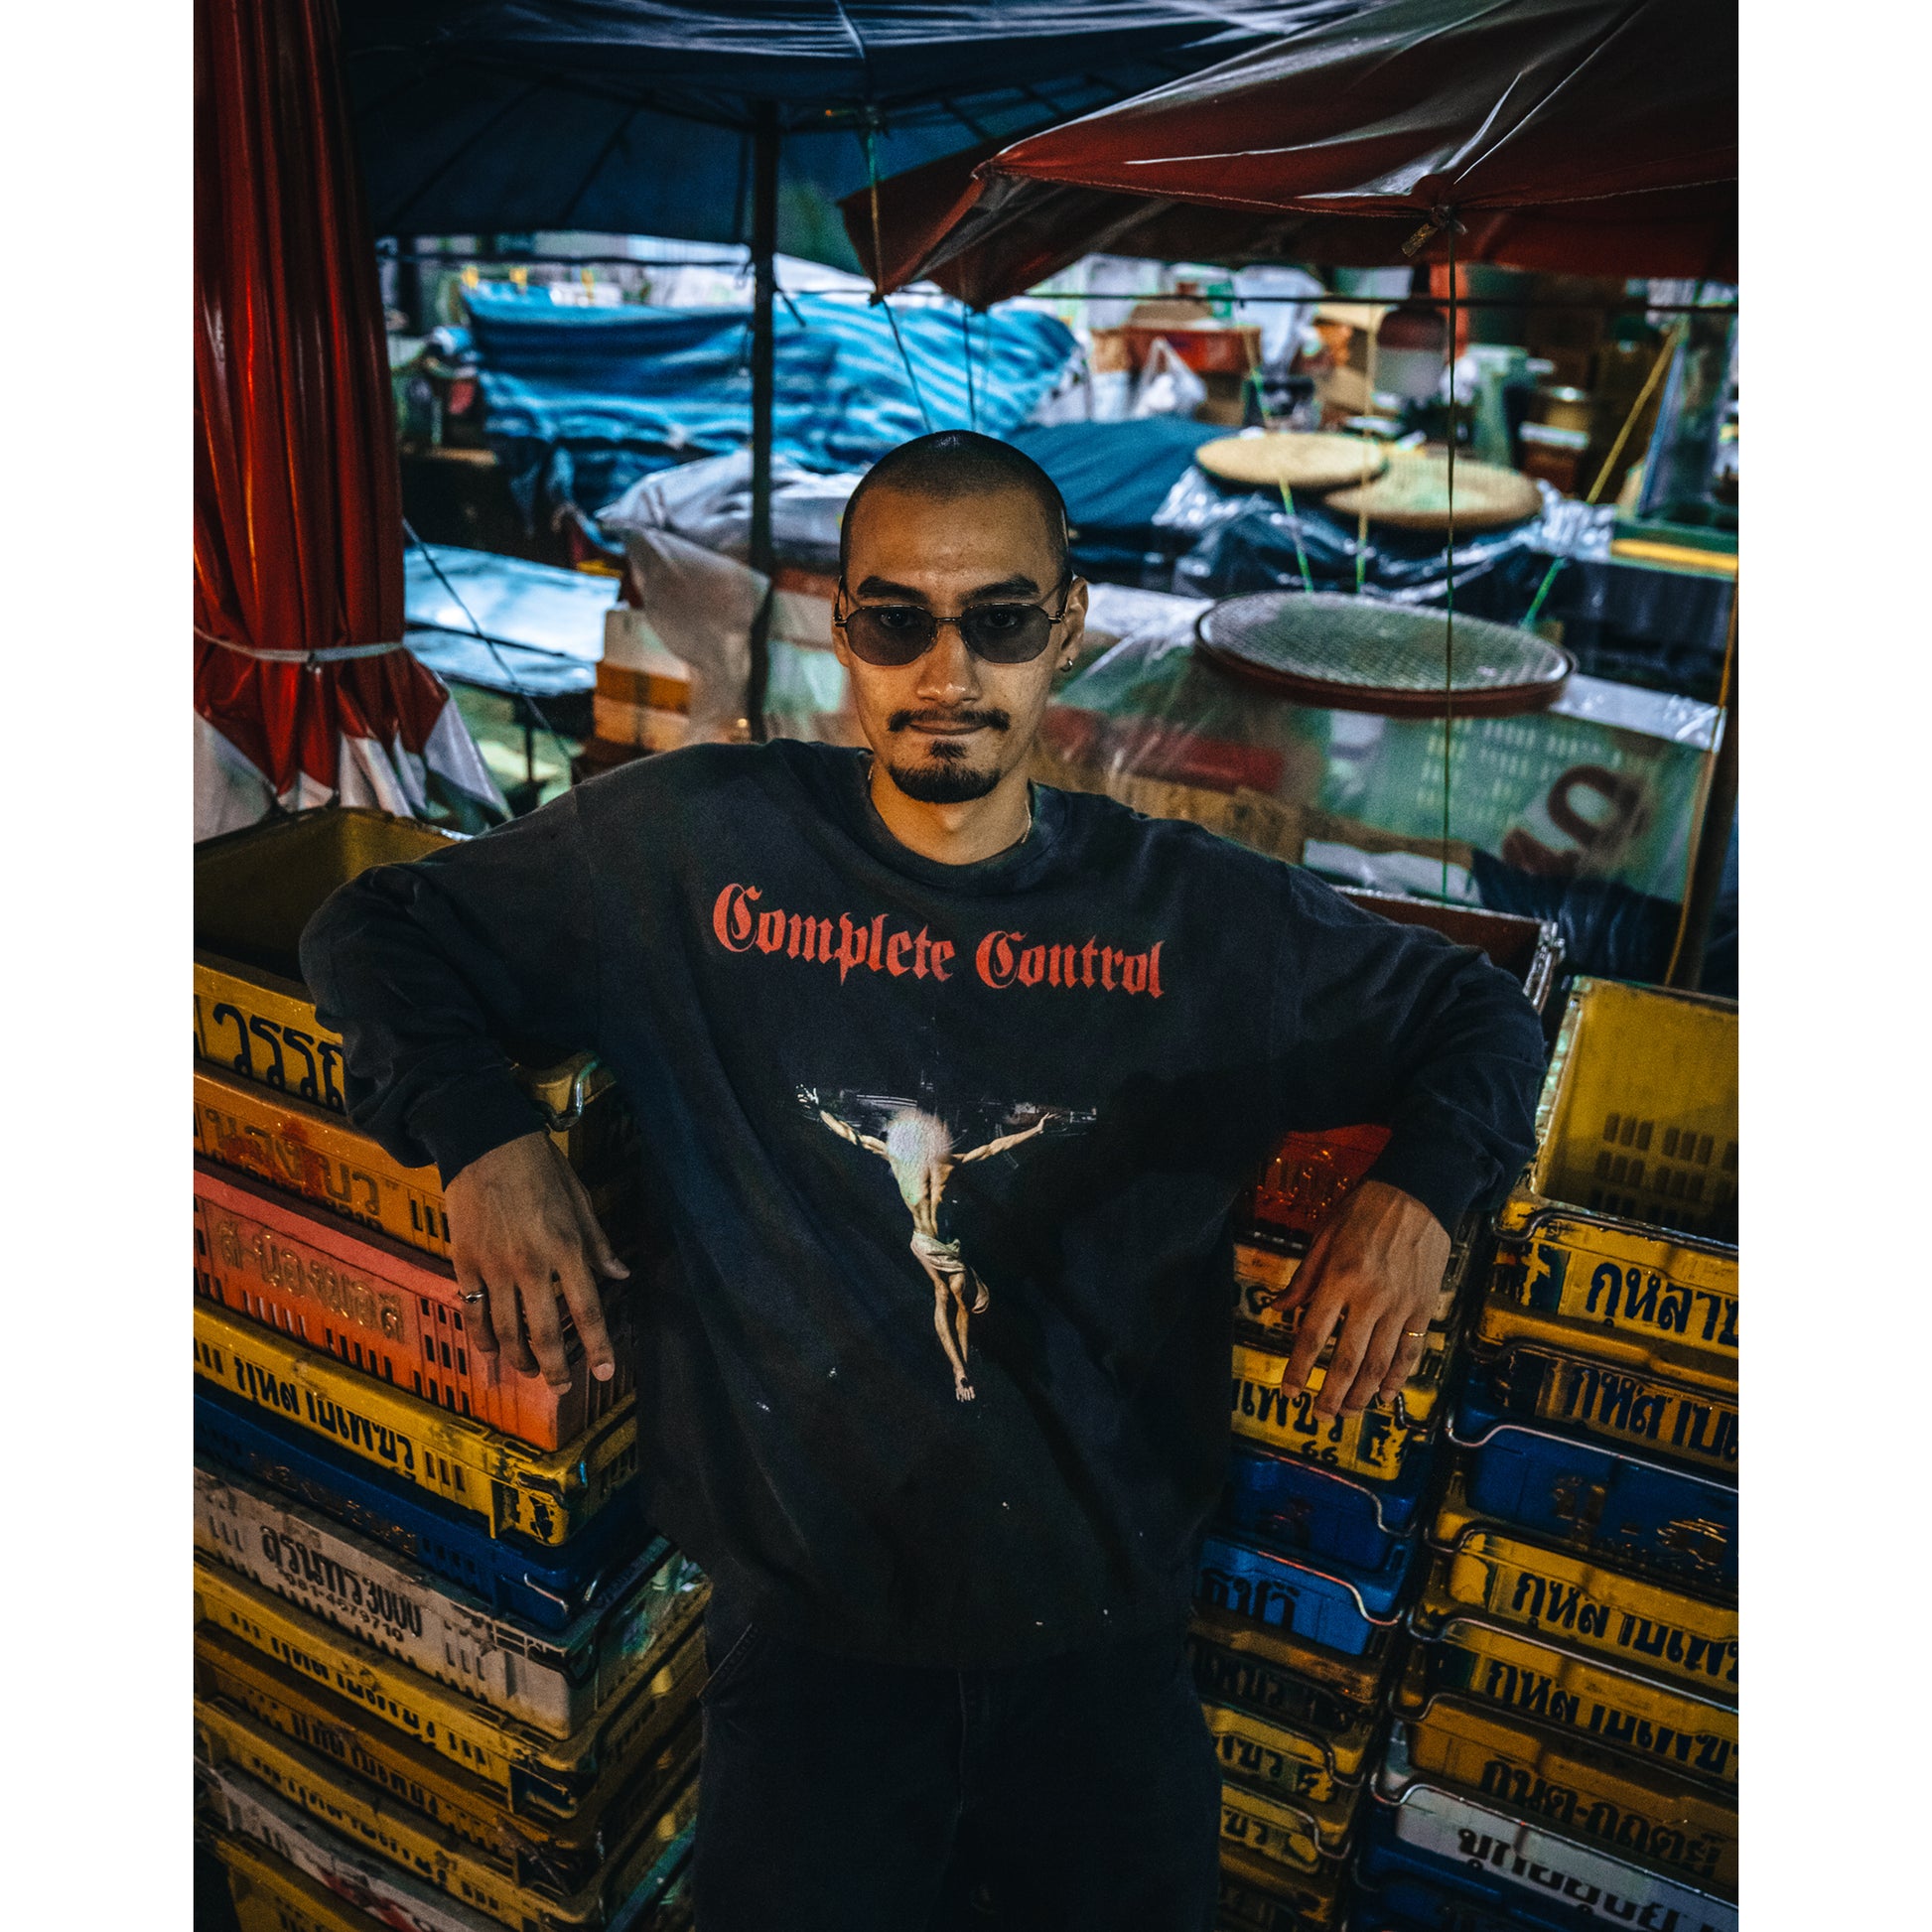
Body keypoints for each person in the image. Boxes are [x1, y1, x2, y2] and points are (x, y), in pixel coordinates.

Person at [302, 430, 1545, 1932]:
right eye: (898, 621)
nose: (947, 670)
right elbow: (377, 929)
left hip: (1102, 1645)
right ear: (842, 630)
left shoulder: (1191, 920)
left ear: (1066, 629)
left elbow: (1477, 1016)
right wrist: (484, 1138)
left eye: (999, 620)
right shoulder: (696, 851)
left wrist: (1419, 1195)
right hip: (806, 1659)